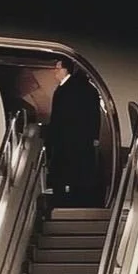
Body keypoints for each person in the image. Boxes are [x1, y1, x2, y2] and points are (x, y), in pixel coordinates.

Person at [46, 57, 102, 207]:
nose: (54, 72)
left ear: (65, 70)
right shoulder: (85, 88)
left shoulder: (68, 90)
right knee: (77, 174)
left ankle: (65, 200)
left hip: (68, 141)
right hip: (79, 142)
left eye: (57, 69)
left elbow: (60, 119)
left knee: (66, 174)